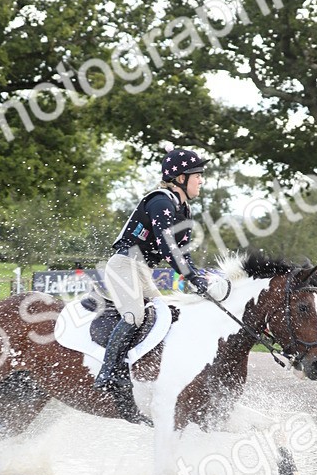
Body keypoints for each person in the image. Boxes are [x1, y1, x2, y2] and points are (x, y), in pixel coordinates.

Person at [94, 147, 229, 422]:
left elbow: (182, 252)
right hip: (124, 266)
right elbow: (168, 248)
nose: (201, 180)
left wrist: (199, 276)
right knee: (135, 316)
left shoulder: (183, 209)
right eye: (197, 175)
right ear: (179, 177)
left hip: (142, 270)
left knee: (161, 314)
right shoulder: (160, 202)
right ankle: (109, 372)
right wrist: (192, 277)